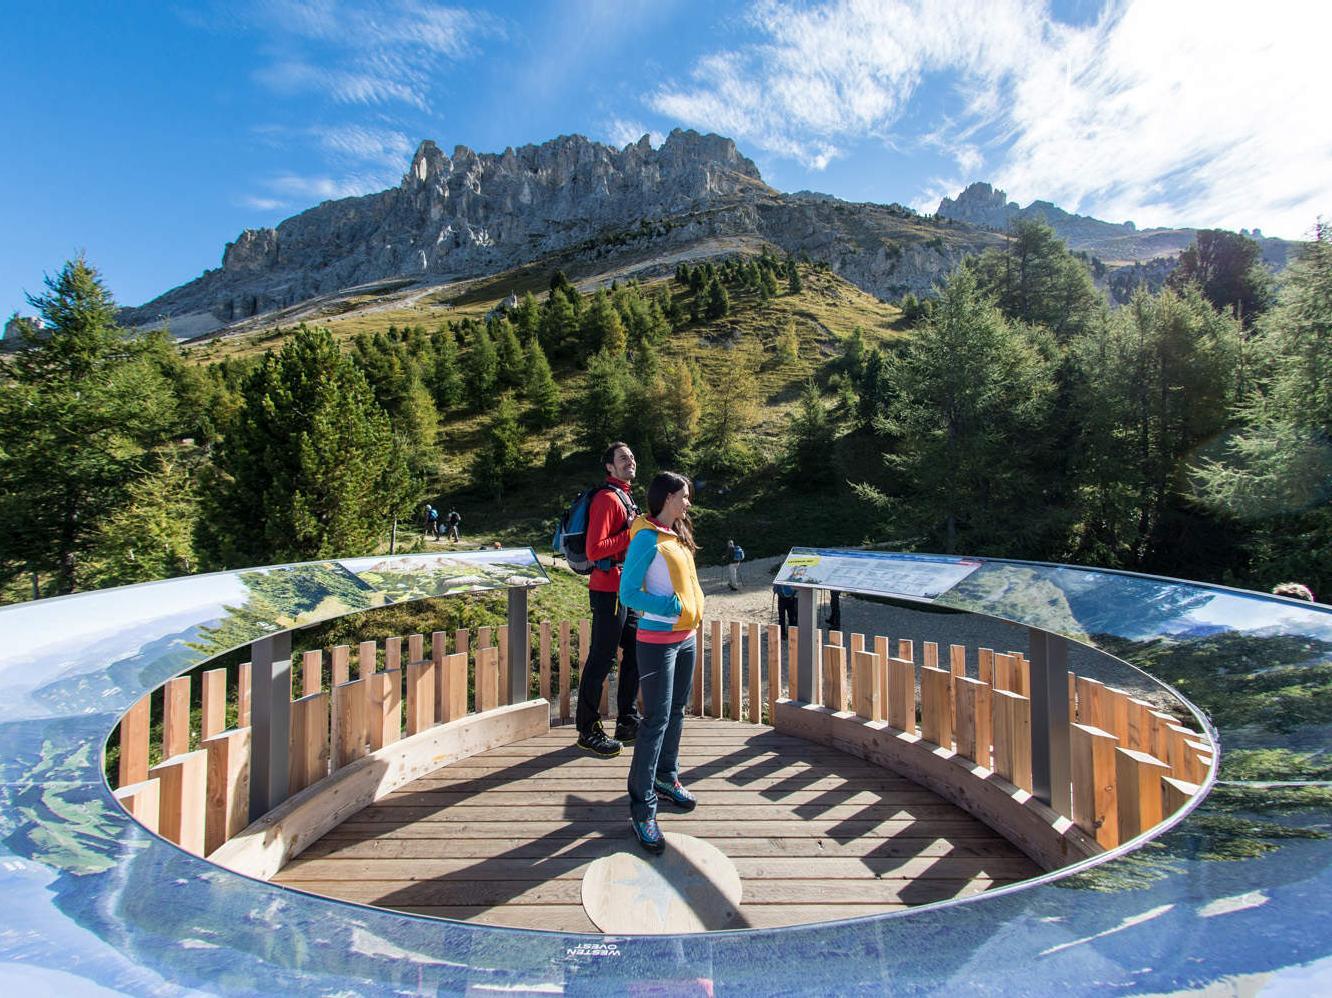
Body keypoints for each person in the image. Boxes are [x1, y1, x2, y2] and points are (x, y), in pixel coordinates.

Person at [619, 471, 705, 853]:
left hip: (685, 639)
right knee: (654, 720)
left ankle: (666, 779)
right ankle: (642, 808)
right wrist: (670, 608)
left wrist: (690, 610)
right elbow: (628, 594)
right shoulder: (646, 538)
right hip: (656, 642)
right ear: (667, 497)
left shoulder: (678, 536)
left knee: (677, 712)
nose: (687, 502)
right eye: (683, 496)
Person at [575, 442, 643, 757]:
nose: (629, 460)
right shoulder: (606, 499)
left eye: (631, 456)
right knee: (602, 658)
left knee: (637, 650)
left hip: (625, 589)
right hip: (608, 590)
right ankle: (588, 730)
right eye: (622, 457)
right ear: (610, 468)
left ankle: (627, 722)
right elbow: (595, 550)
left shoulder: (624, 497)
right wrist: (629, 532)